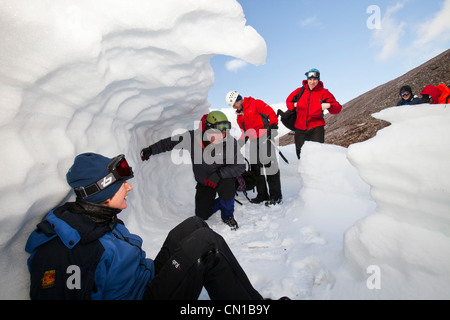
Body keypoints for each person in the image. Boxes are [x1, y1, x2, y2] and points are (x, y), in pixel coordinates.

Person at [25, 152, 263, 300]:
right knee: (206, 245)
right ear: (101, 190)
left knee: (194, 225)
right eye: (121, 184)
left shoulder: (98, 215)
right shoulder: (64, 253)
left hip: (147, 280)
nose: (129, 188)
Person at [141, 111, 243, 230]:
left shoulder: (230, 142)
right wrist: (151, 150)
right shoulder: (193, 138)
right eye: (219, 135)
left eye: (224, 135)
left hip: (223, 179)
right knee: (202, 215)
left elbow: (240, 166)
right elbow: (170, 142)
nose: (222, 138)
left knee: (227, 187)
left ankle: (227, 215)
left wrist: (219, 174)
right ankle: (222, 202)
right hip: (205, 182)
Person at [225, 91, 282, 206]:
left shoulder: (256, 104)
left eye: (234, 104)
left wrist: (273, 126)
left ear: (239, 99)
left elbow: (271, 114)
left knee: (270, 168)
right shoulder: (239, 116)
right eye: (232, 105)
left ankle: (275, 196)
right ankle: (262, 195)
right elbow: (244, 132)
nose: (234, 107)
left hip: (265, 137)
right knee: (256, 169)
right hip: (253, 141)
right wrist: (238, 144)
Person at [285, 68, 342, 159]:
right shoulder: (299, 91)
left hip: (316, 128)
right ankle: (304, 172)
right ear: (307, 80)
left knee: (317, 155)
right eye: (310, 79)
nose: (312, 82)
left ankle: (316, 172)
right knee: (300, 154)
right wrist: (294, 105)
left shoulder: (324, 92)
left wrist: (328, 105)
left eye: (314, 79)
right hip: (300, 128)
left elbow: (337, 108)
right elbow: (288, 102)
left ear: (318, 80)